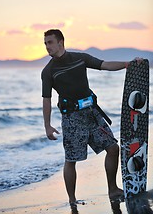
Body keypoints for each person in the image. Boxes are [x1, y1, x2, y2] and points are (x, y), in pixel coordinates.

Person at [41, 29, 127, 209]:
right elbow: (46, 100)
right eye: (45, 43)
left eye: (50, 42)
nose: (47, 46)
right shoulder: (48, 71)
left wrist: (127, 64)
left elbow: (104, 65)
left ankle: (113, 189)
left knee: (112, 148)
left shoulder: (79, 58)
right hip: (72, 119)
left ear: (60, 42)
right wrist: (47, 125)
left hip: (92, 114)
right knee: (71, 160)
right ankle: (72, 200)